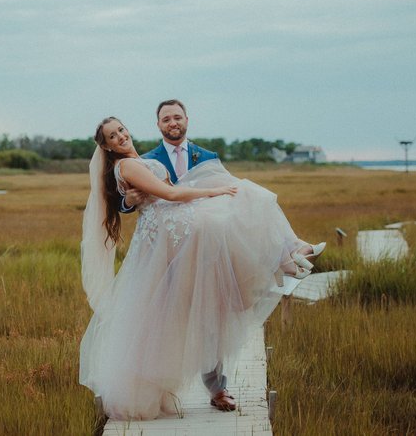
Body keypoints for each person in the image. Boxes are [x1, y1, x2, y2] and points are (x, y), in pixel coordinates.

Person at [79, 116, 325, 420]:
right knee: (244, 204)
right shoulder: (130, 164)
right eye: (113, 136)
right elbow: (165, 194)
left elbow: (159, 191)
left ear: (184, 120)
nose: (121, 136)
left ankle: (289, 258)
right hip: (173, 233)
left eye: (121, 130)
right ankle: (287, 260)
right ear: (106, 146)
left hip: (175, 227)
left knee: (240, 224)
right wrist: (213, 192)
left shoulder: (155, 158)